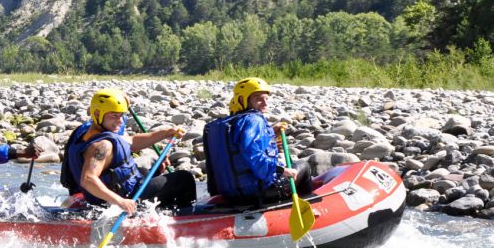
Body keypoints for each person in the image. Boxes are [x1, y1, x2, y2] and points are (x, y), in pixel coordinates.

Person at [61, 89, 196, 213]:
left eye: (121, 115)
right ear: (97, 114)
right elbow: (88, 180)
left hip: (121, 193)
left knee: (147, 171)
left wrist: (166, 133)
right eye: (114, 116)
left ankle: (162, 210)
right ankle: (185, 218)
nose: (120, 121)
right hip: (123, 199)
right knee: (184, 178)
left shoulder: (89, 133)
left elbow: (133, 141)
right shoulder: (102, 146)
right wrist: (120, 202)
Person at [202, 77, 313, 206]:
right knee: (303, 166)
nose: (265, 103)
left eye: (266, 99)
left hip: (229, 195)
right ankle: (308, 205)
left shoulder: (218, 126)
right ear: (243, 100)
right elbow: (252, 154)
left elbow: (236, 146)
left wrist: (271, 132)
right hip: (258, 193)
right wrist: (282, 170)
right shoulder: (254, 120)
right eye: (258, 99)